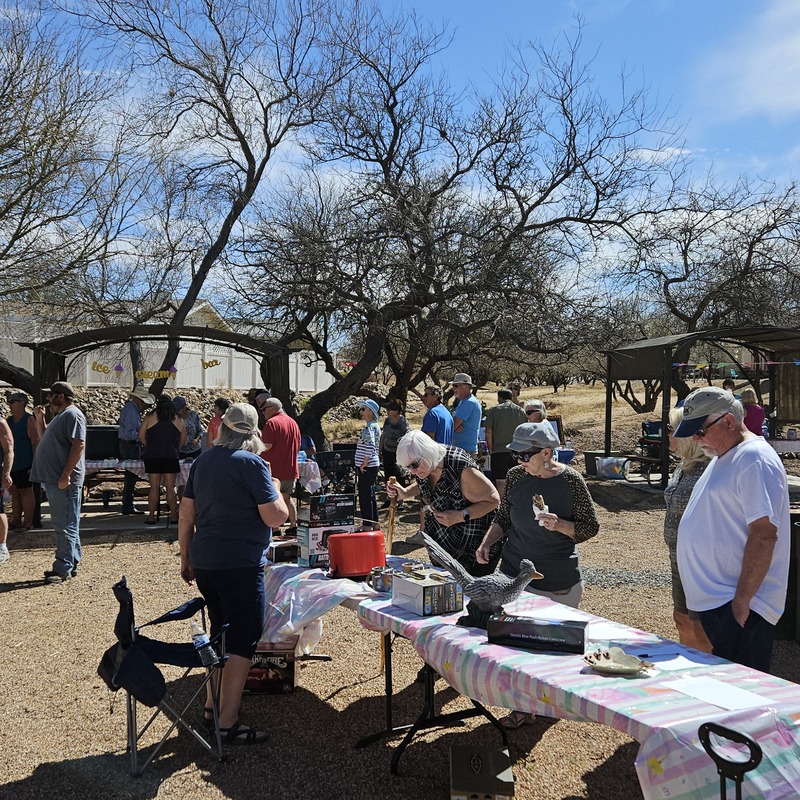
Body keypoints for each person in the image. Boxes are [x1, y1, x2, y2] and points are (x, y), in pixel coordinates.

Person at [475, 421, 599, 729]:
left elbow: (590, 527)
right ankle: (519, 705)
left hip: (555, 579)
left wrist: (559, 525)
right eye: (515, 455)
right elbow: (504, 517)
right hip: (512, 573)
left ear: (546, 452)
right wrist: (487, 543)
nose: (517, 462)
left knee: (551, 650)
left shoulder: (571, 481)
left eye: (524, 455)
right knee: (513, 647)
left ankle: (548, 704)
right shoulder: (517, 476)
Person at [179, 403, 288, 744]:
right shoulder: (252, 464)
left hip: (206, 560)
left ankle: (212, 707)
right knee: (242, 639)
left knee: (220, 633)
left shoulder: (203, 461)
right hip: (239, 562)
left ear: (221, 429)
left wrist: (185, 557)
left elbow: (186, 514)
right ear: (253, 434)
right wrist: (277, 487)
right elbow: (275, 517)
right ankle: (227, 722)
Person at [674, 387, 790, 673]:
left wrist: (741, 603)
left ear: (728, 421)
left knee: (742, 697)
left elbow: (764, 534)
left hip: (737, 605)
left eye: (700, 431)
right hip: (722, 602)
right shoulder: (729, 453)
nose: (696, 440)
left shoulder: (753, 458)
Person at [390, 430, 501, 576]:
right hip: (444, 548)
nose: (412, 472)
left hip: (474, 551)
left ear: (427, 454)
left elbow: (493, 500)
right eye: (407, 468)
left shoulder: (461, 468)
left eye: (414, 466)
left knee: (469, 595)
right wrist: (404, 493)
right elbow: (425, 486)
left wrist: (461, 515)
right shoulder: (425, 466)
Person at [663, 407, 712, 652]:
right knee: (681, 617)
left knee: (700, 624)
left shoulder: (710, 468)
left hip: (699, 561)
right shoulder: (682, 466)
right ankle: (688, 665)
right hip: (677, 557)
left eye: (671, 430)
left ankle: (707, 673)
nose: (667, 435)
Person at [29, 381, 87, 583]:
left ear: (61, 396)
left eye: (51, 395)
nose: (48, 399)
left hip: (63, 481)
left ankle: (62, 567)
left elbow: (79, 444)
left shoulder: (72, 415)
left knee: (64, 524)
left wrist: (66, 474)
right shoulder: (60, 417)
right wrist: (39, 419)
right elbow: (44, 438)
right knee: (69, 522)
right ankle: (72, 562)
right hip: (56, 479)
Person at [139, 395, 186, 524]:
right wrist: (176, 448)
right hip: (171, 455)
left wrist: (149, 445)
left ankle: (151, 516)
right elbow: (183, 439)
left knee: (154, 487)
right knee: (170, 488)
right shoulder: (178, 419)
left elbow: (141, 435)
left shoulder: (149, 417)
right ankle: (173, 516)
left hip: (153, 455)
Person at [259, 397, 301, 534]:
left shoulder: (271, 423)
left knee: (273, 499)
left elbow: (267, 446)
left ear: (272, 408)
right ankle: (293, 525)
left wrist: (254, 447)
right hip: (290, 469)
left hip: (274, 470)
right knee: (287, 498)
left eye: (264, 410)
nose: (263, 413)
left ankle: (275, 529)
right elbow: (299, 445)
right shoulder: (293, 422)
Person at [117, 384, 155, 515]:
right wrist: (143, 437)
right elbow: (130, 432)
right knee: (131, 476)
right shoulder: (132, 411)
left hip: (129, 445)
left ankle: (128, 504)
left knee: (131, 475)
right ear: (138, 399)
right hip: (130, 445)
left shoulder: (131, 409)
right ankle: (127, 505)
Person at [6, 392, 39, 531]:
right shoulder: (8, 421)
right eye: (9, 401)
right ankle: (16, 520)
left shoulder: (29, 420)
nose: (10, 404)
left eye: (13, 401)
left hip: (26, 462)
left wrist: (35, 462)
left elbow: (35, 442)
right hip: (12, 463)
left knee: (26, 491)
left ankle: (28, 522)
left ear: (22, 403)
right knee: (15, 491)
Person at [484, 389, 526, 494]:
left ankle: (502, 505)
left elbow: (488, 432)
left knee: (500, 480)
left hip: (499, 450)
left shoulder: (493, 411)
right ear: (511, 397)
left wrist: (490, 449)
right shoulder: (520, 411)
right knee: (517, 479)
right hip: (517, 450)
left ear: (499, 398)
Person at [355, 399, 381, 526]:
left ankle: (367, 524)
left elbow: (370, 445)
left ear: (371, 411)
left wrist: (364, 462)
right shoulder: (374, 426)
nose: (361, 412)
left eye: (363, 409)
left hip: (368, 466)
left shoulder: (370, 427)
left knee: (364, 495)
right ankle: (373, 521)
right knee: (369, 493)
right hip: (371, 465)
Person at [380, 400, 409, 490]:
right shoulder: (387, 421)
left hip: (398, 454)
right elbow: (383, 435)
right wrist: (380, 450)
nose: (387, 411)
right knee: (388, 475)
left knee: (399, 475)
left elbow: (407, 438)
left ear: (397, 411)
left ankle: (400, 499)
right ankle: (390, 498)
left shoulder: (403, 422)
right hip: (387, 451)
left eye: (390, 409)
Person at [450, 373, 482, 456]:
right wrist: (454, 427)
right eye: (453, 386)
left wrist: (454, 427)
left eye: (456, 386)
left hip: (464, 450)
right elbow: (454, 425)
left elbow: (453, 425)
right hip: (462, 448)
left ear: (467, 387)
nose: (453, 389)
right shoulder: (464, 401)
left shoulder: (469, 403)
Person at [0, 417, 14, 566]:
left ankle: (2, 547)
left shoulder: (1, 424)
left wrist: (6, 473)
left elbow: (8, 449)